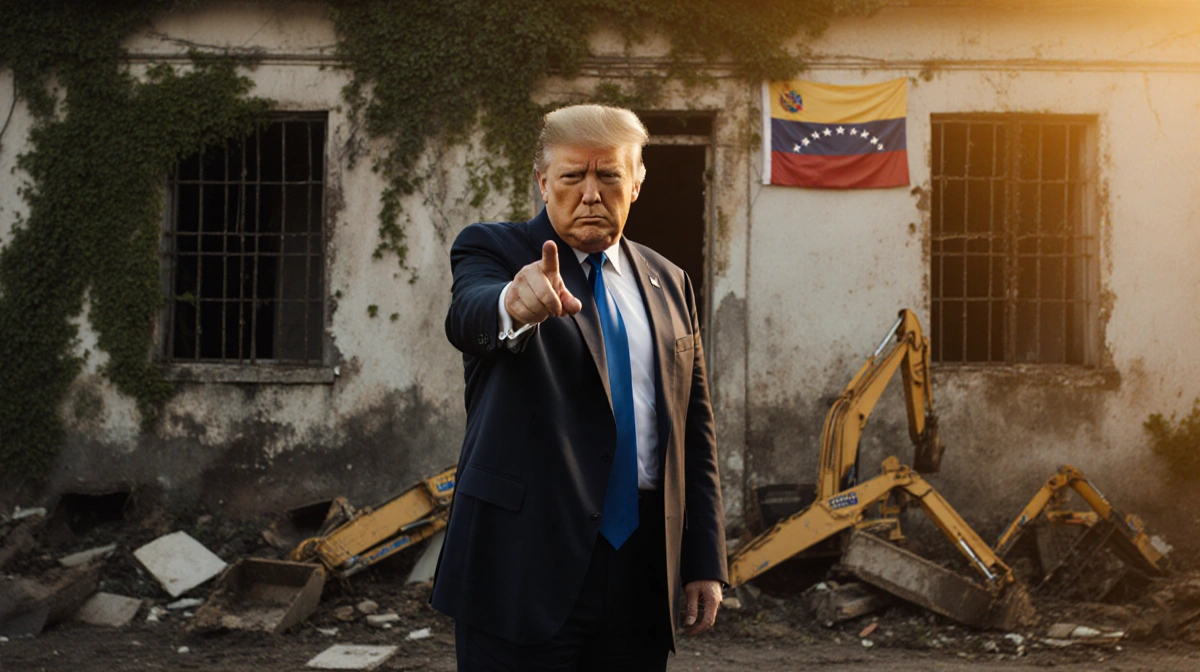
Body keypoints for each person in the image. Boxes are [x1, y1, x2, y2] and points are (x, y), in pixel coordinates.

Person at [433, 104, 727, 671]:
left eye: (609, 174)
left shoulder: (671, 281)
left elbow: (695, 429)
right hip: (522, 564)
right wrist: (511, 306)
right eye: (572, 176)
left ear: (636, 183)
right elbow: (469, 313)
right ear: (544, 183)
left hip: (641, 570)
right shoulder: (495, 251)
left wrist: (703, 558)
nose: (591, 193)